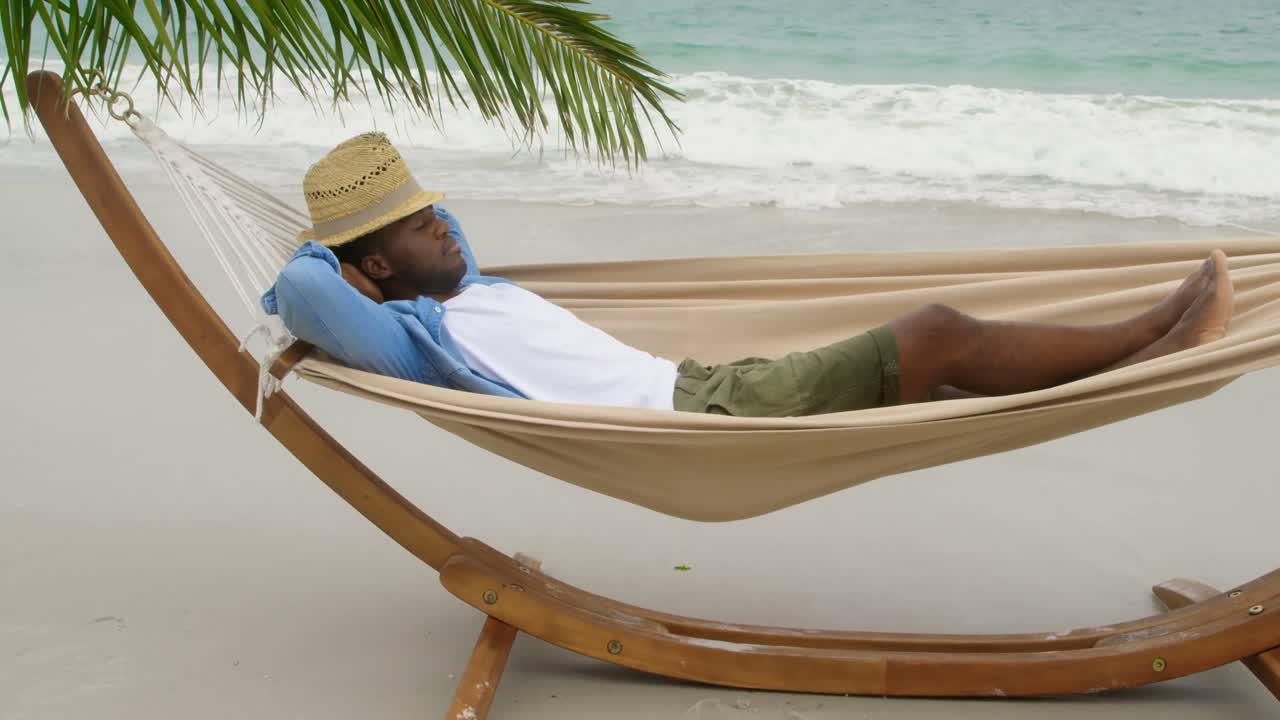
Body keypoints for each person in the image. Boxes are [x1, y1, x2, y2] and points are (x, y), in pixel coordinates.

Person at [263, 132, 1234, 417]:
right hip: (692, 414)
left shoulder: (469, 289)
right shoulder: (421, 338)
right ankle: (1148, 340)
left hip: (706, 384)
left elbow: (447, 245)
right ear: (374, 266)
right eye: (422, 226)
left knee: (936, 357)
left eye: (437, 212)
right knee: (936, 332)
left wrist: (392, 227)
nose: (447, 228)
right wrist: (338, 260)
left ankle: (1144, 344)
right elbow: (306, 289)